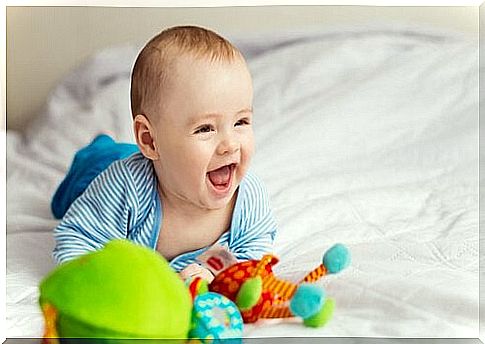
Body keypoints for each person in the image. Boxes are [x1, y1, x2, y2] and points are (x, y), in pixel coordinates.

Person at [52, 25, 278, 282]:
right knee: (72, 190)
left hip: (163, 162)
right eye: (205, 128)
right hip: (101, 168)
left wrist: (214, 272)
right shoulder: (125, 188)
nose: (230, 145)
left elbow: (255, 254)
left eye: (241, 122)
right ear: (149, 139)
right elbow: (77, 237)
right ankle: (98, 146)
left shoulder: (247, 199)